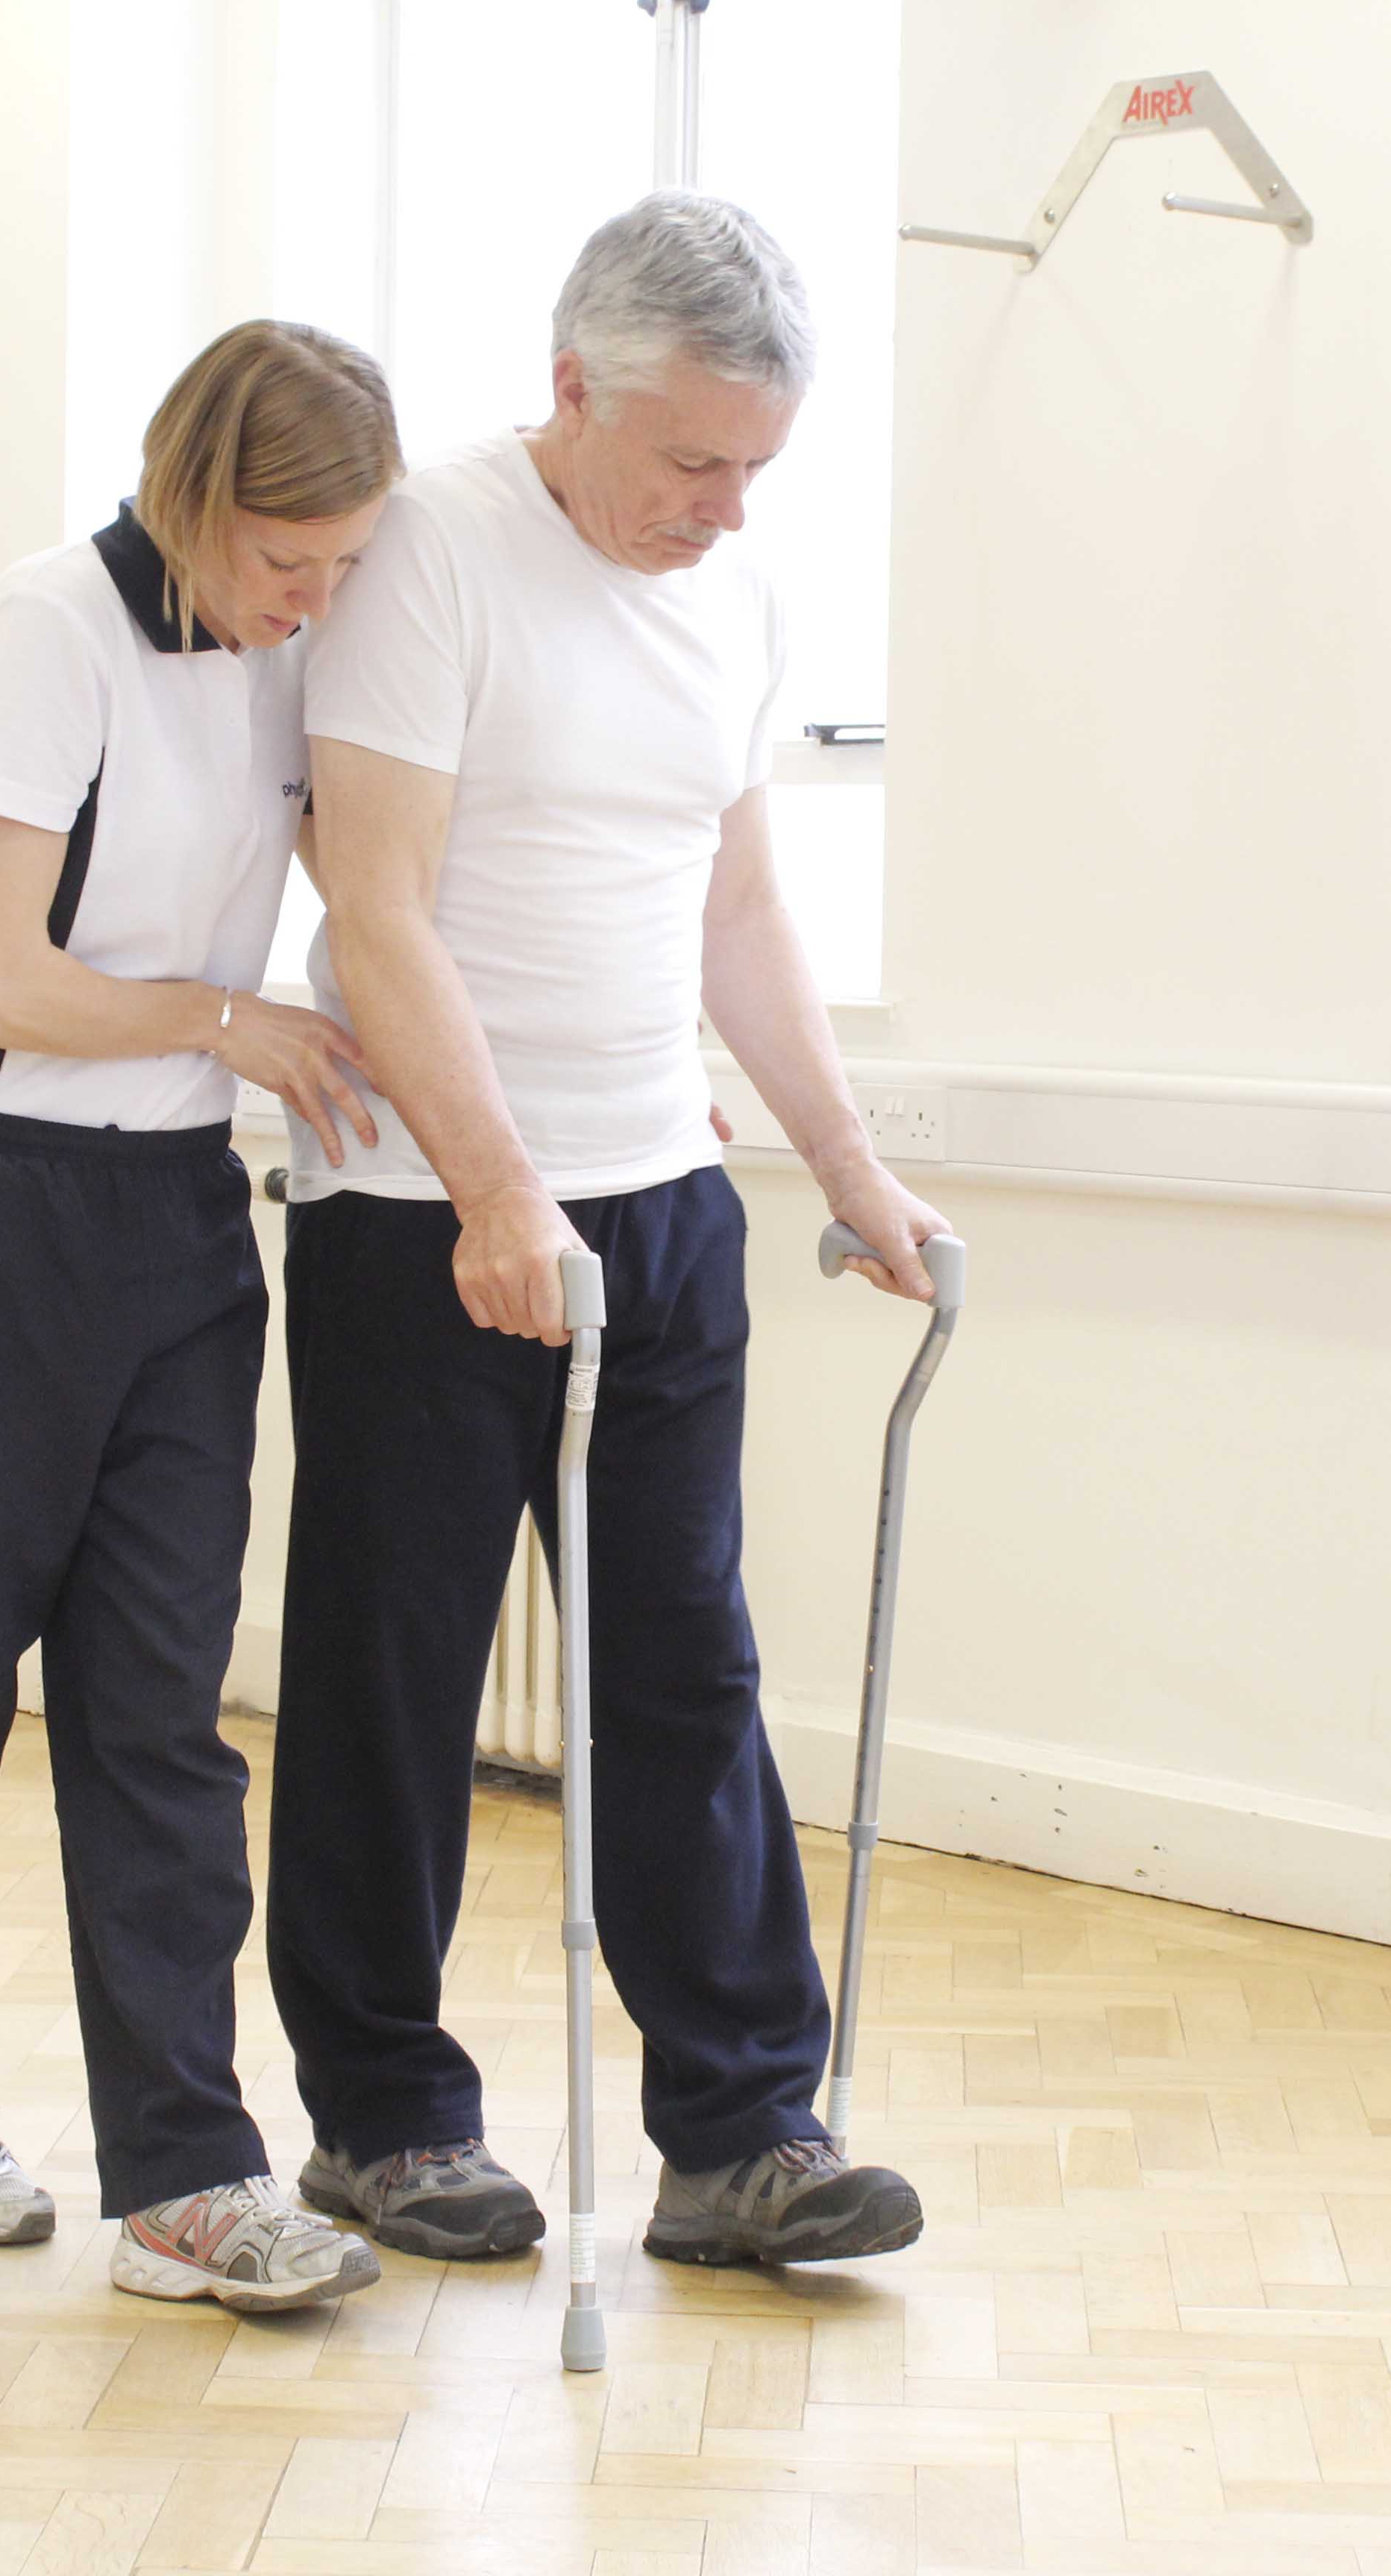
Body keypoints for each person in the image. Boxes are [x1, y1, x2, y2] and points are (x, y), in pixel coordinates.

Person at [269, 195, 950, 2268]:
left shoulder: (727, 608)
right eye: (693, 463)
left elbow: (738, 908)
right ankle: (385, 2119)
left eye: (759, 467)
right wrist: (487, 1183)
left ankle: (743, 2134)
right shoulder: (433, 559)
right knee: (394, 1671)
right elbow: (373, 898)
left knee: (683, 1667)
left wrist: (845, 1166)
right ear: (571, 392)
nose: (727, 511)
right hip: (426, 1218)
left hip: (660, 1208)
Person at [0, 320, 398, 2311]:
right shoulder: (48, 629)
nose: (311, 604)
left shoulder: (293, 647)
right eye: (286, 563)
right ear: (197, 492)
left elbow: (384, 870)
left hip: (175, 1228)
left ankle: (187, 2172)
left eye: (342, 571)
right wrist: (234, 1021)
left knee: (159, 1712)